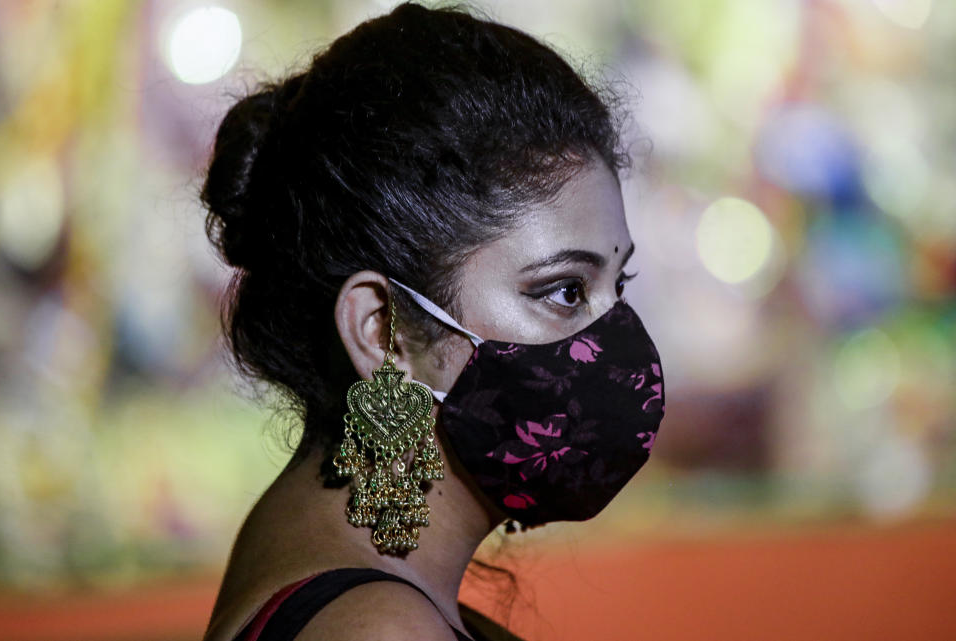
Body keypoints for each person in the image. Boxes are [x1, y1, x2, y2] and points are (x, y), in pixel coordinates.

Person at [198, 2, 666, 640]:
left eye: (620, 285)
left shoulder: (306, 550)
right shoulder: (380, 628)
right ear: (383, 332)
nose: (617, 345)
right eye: (564, 290)